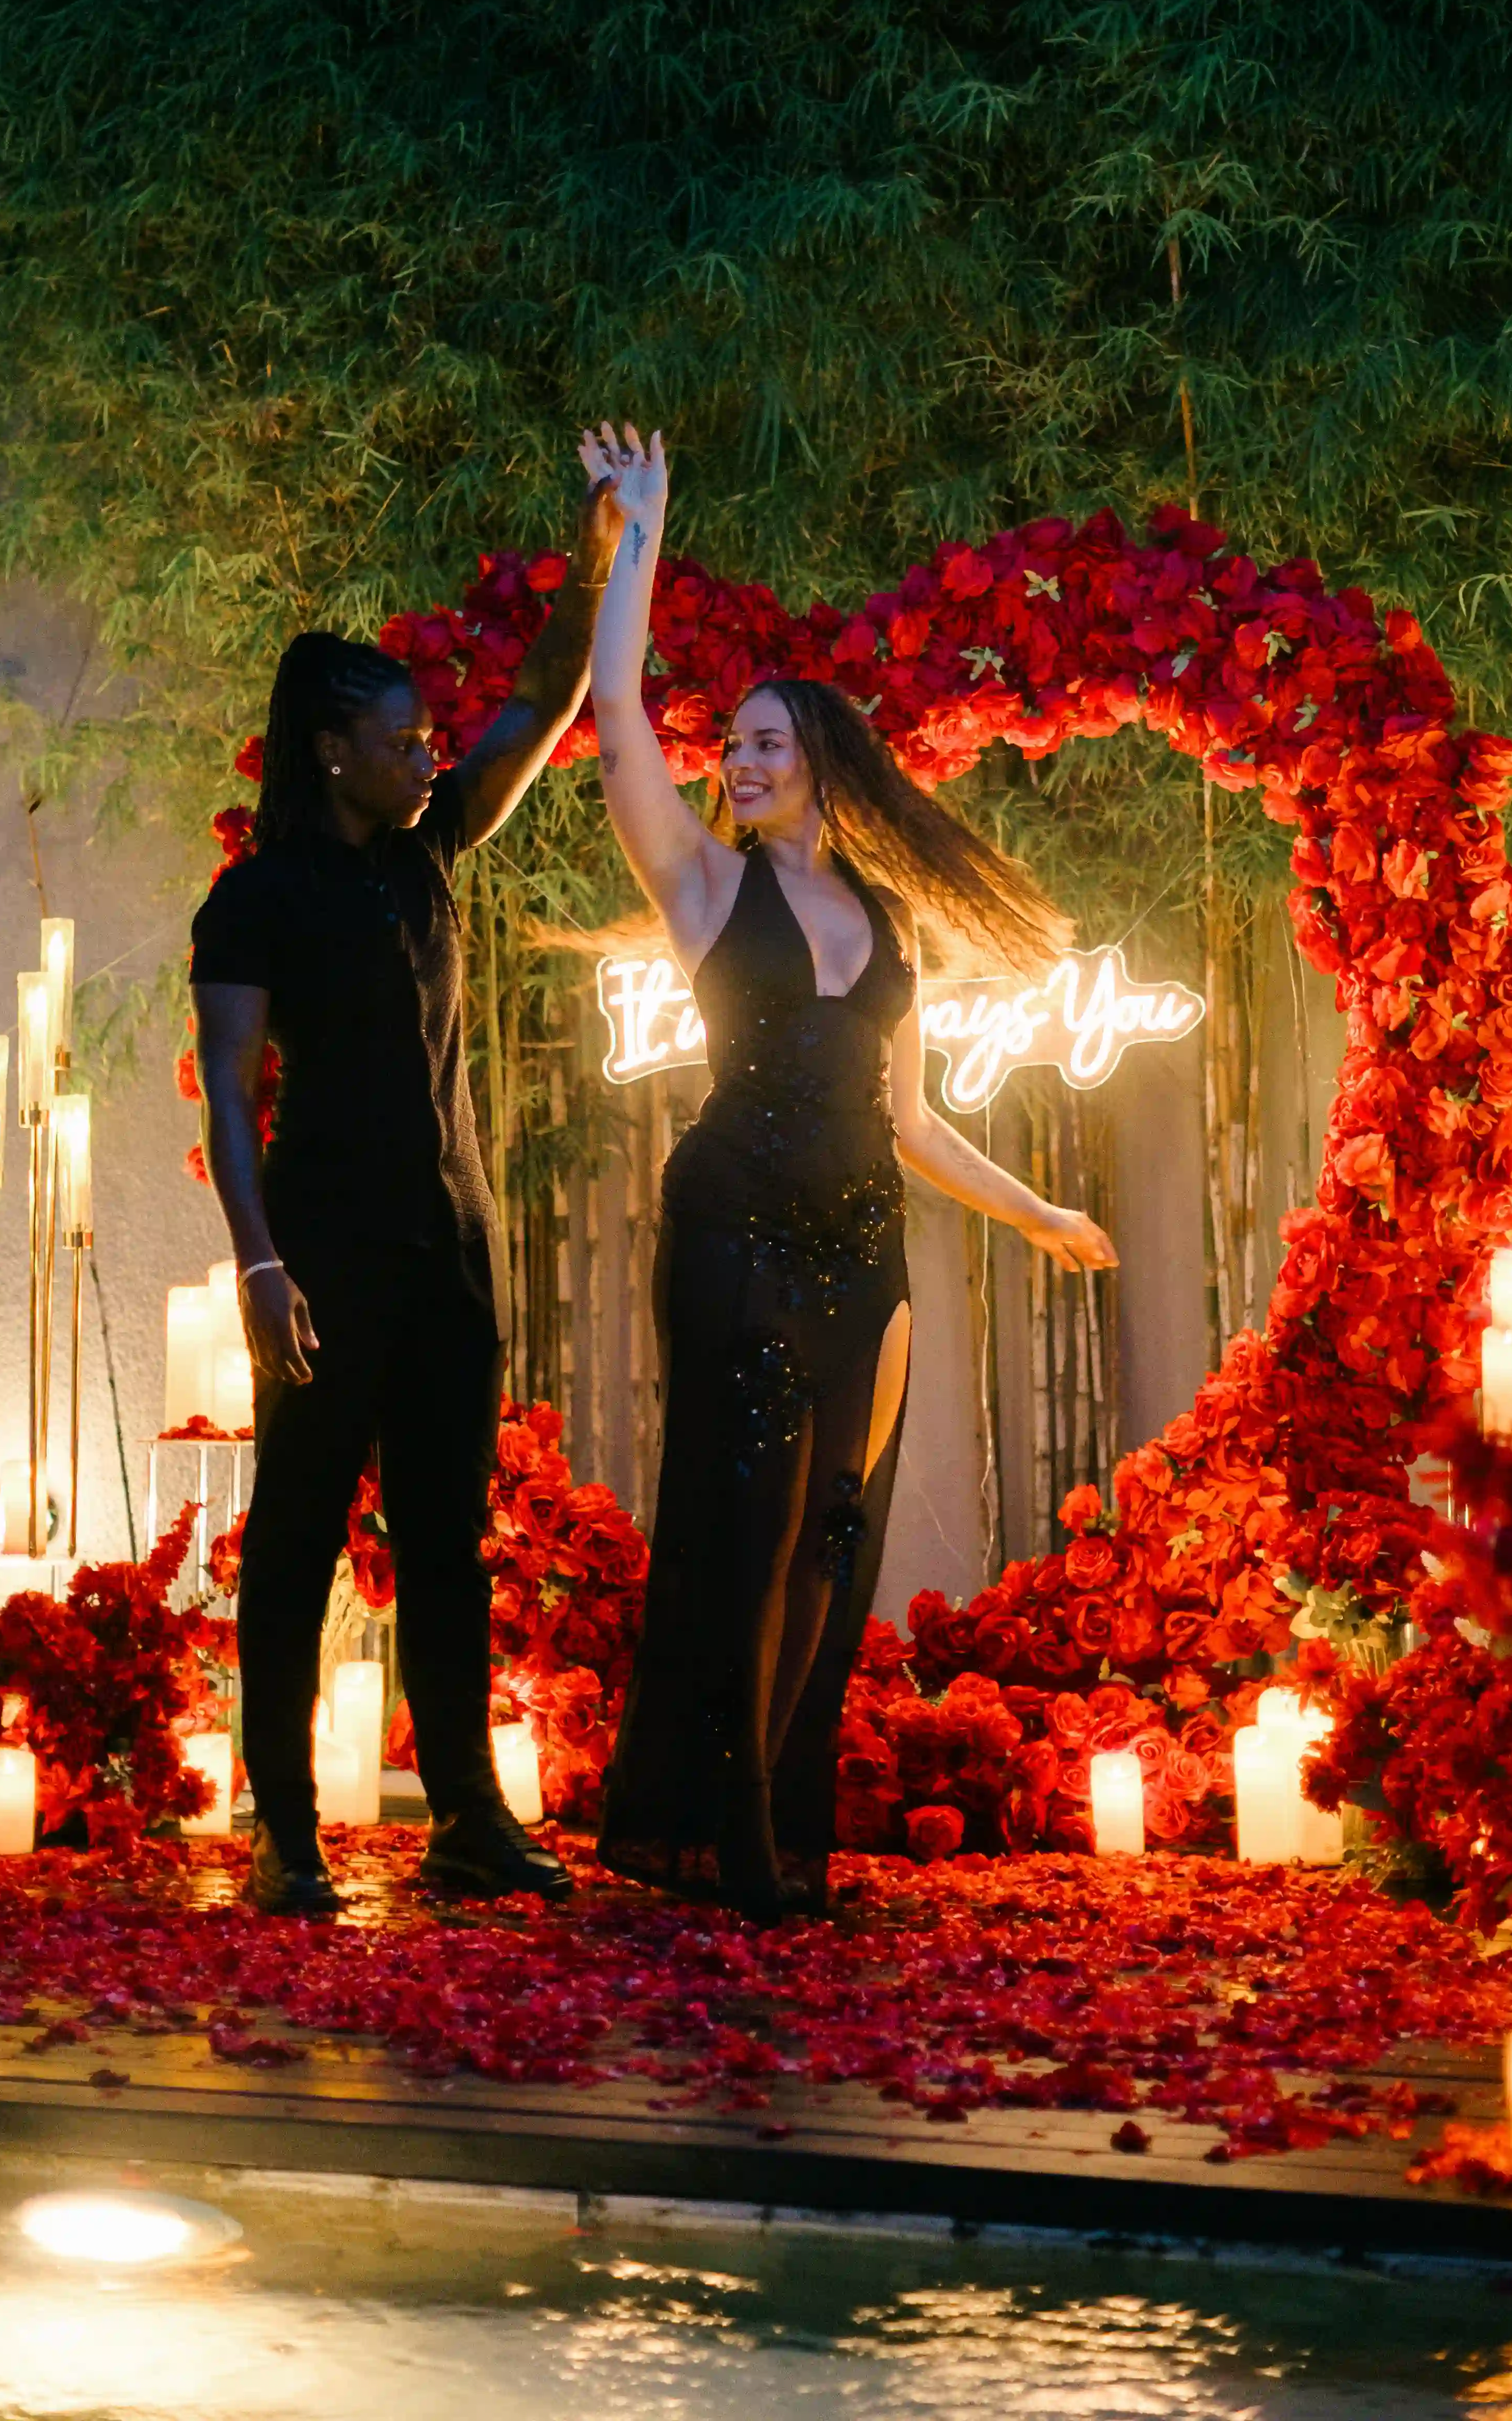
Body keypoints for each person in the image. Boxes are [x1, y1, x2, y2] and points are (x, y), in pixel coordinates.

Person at [582, 422, 1119, 1919]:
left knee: (831, 1537)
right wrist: (642, 533)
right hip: (734, 1228)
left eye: (763, 741)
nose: (735, 759)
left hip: (864, 1250)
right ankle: (737, 1827)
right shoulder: (699, 884)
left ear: (819, 758)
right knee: (745, 1532)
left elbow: (913, 1121)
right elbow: (618, 705)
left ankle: (774, 1798)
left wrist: (1041, 1212)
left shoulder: (886, 924)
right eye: (730, 745)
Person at [190, 478, 619, 1915]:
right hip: (322, 1248)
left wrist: (596, 564)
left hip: (451, 1243)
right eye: (400, 737)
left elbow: (541, 709)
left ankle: (464, 1821)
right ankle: (286, 1831)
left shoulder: (435, 845)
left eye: (427, 732)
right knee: (299, 1532)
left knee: (449, 1539)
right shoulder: (255, 901)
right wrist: (260, 1269)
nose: (428, 749)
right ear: (332, 753)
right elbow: (231, 1093)